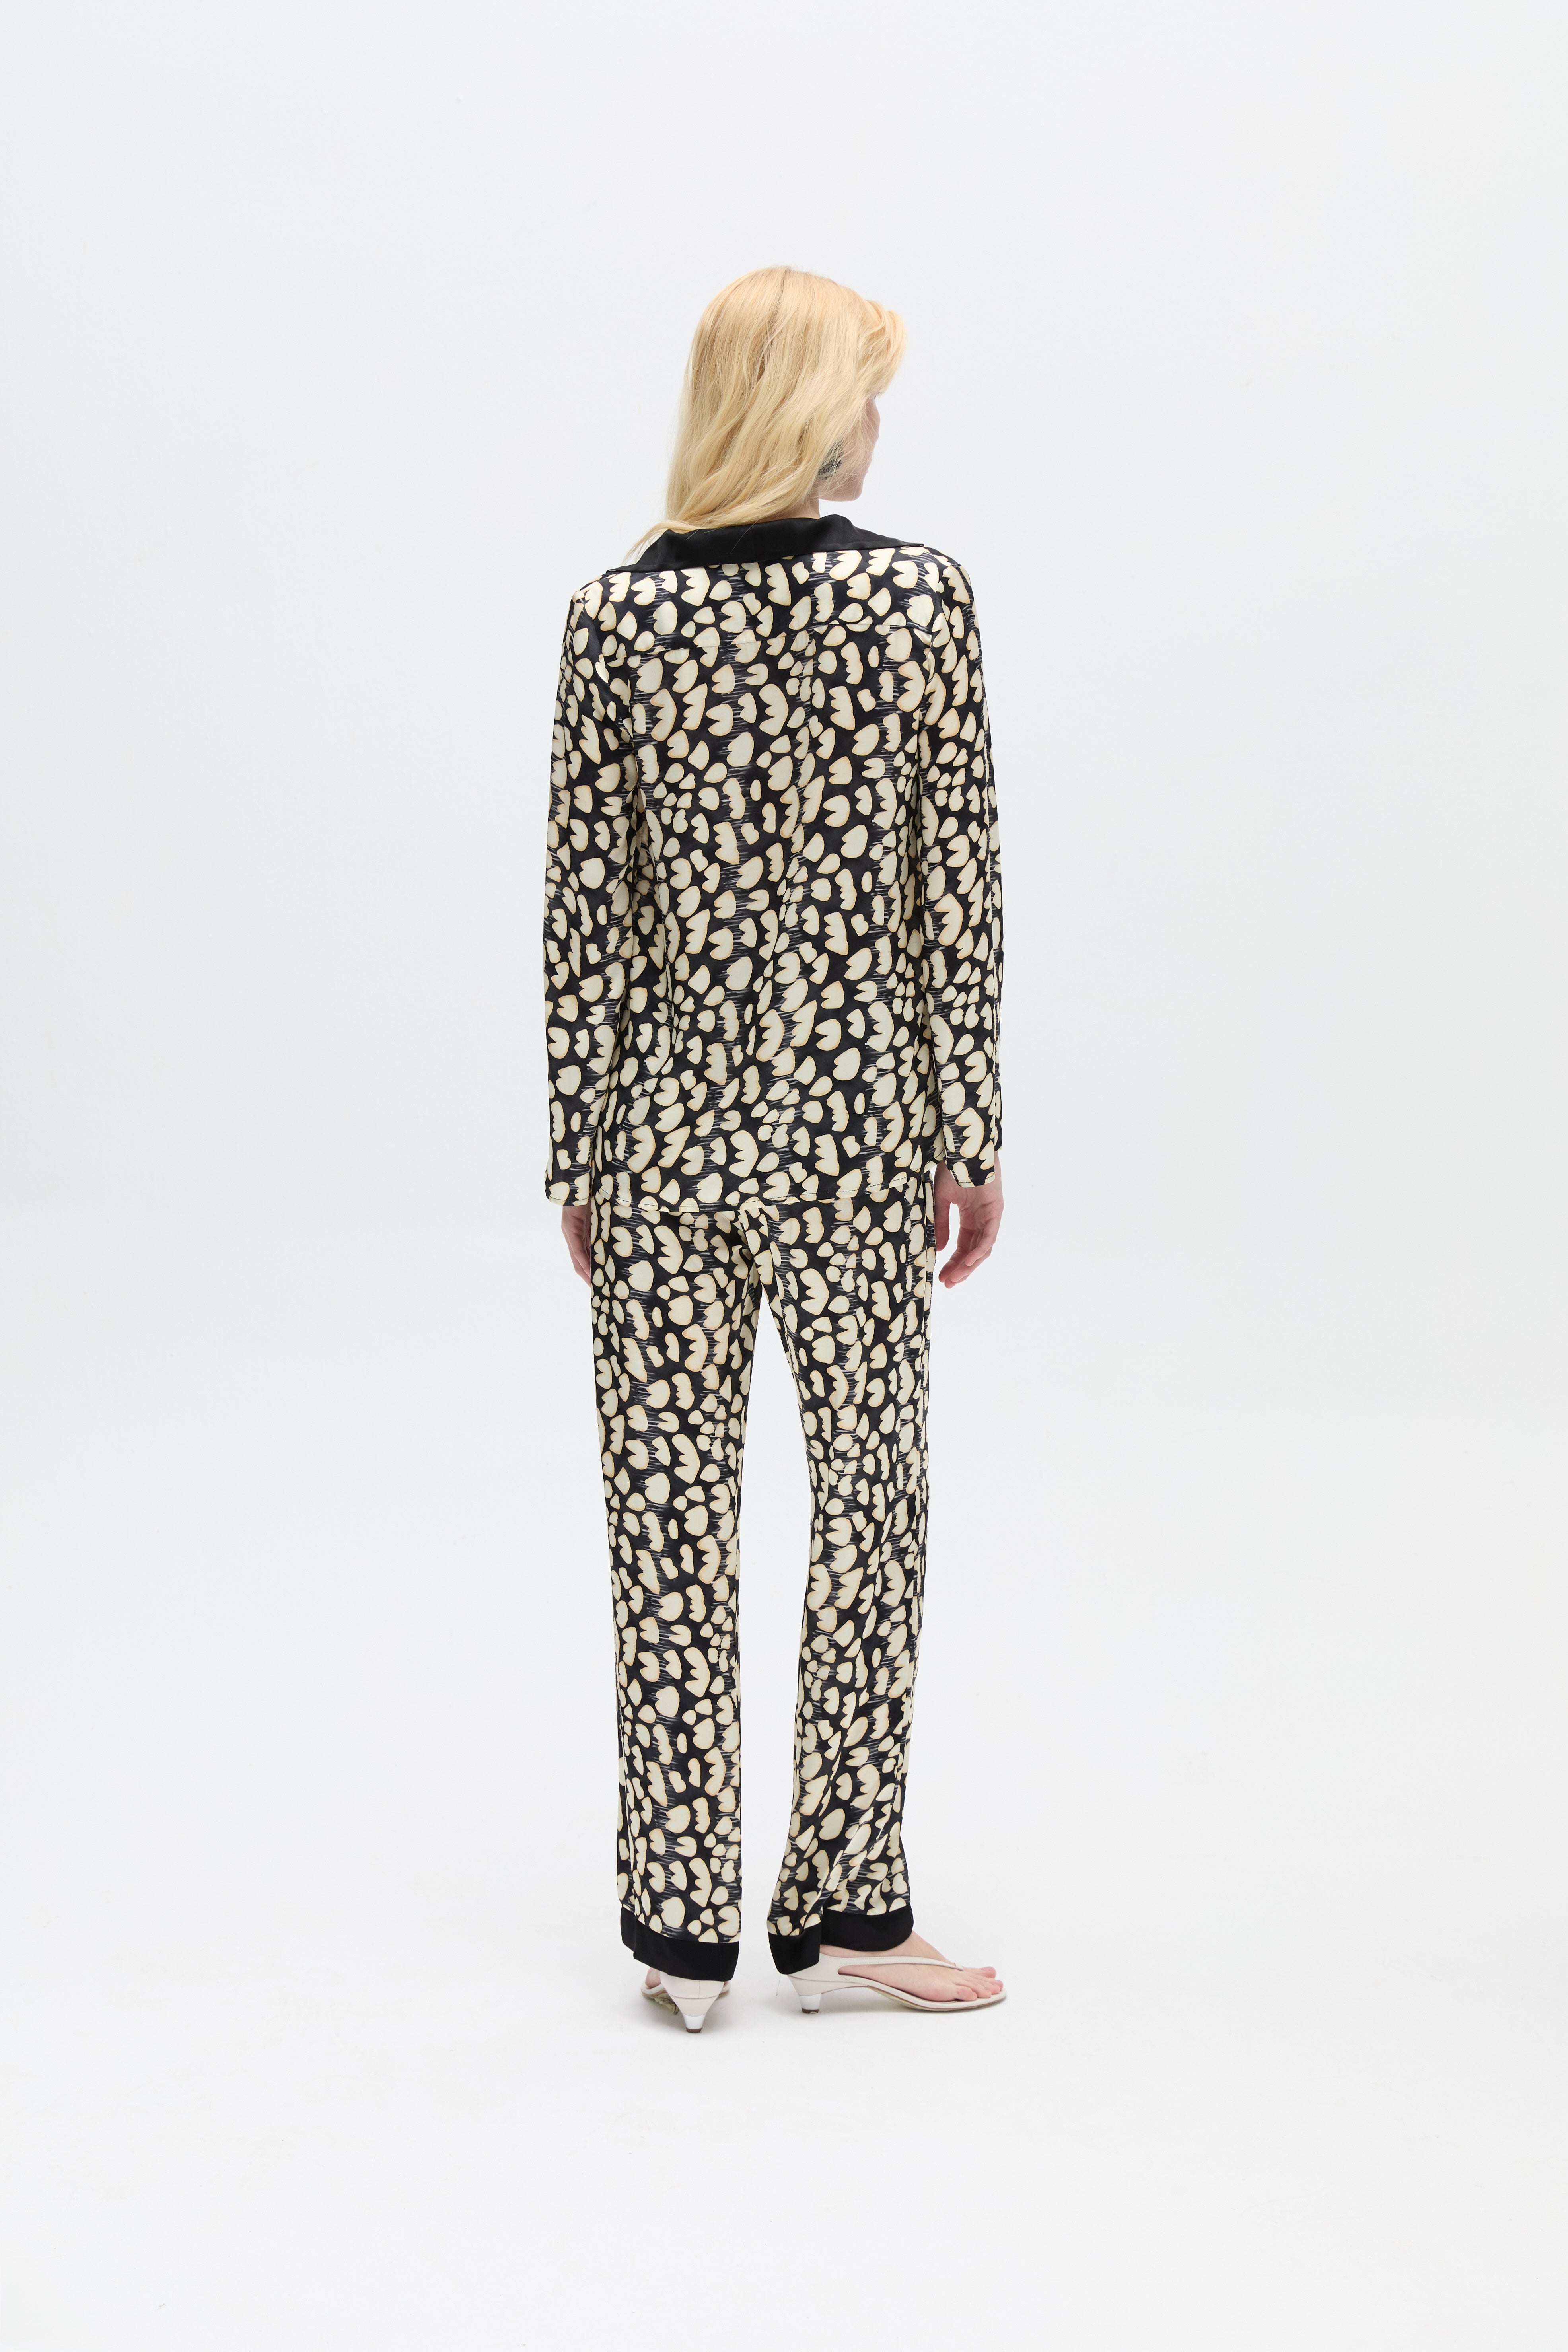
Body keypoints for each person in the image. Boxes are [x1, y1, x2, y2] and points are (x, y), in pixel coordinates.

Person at [544, 267, 1005, 2029]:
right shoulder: (918, 601)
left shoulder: (615, 619)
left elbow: (586, 922)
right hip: (855, 1142)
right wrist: (967, 1131)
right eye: (864, 391)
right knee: (869, 1515)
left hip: (664, 1151)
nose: (877, 424)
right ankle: (843, 1903)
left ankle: (683, 1935)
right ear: (810, 409)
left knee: (666, 1528)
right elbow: (953, 894)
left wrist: (583, 1154)